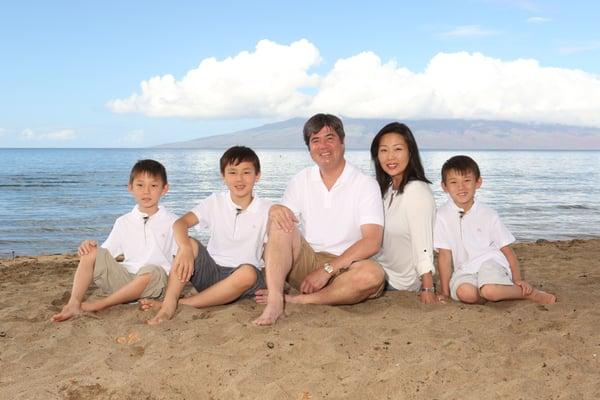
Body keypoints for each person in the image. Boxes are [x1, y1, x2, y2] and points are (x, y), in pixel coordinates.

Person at [253, 113, 385, 326]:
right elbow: (281, 233)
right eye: (315, 140)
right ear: (309, 148)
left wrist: (327, 270)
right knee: (280, 219)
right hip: (307, 263)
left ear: (342, 142)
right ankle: (276, 301)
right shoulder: (301, 180)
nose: (323, 146)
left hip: (345, 267)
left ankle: (297, 300)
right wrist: (274, 209)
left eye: (329, 138)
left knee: (372, 274)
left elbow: (372, 241)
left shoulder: (365, 184)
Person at [142, 146, 271, 325]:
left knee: (248, 272)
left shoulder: (267, 210)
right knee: (191, 243)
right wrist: (186, 248)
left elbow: (273, 250)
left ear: (257, 175)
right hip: (211, 272)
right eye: (232, 172)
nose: (239, 179)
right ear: (223, 176)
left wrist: (275, 288)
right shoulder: (215, 201)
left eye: (246, 172)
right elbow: (180, 223)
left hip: (244, 283)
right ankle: (169, 304)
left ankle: (181, 303)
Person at [51, 159, 178, 322]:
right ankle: (74, 303)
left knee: (153, 270)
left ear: (164, 189)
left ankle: (102, 304)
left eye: (153, 186)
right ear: (130, 188)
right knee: (91, 251)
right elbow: (106, 253)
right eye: (140, 185)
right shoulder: (123, 221)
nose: (146, 191)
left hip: (154, 283)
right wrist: (89, 247)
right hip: (124, 280)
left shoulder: (173, 222)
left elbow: (180, 259)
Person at [434, 155, 556, 305]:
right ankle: (486, 296)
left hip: (491, 264)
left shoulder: (488, 214)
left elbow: (507, 250)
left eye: (467, 180)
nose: (461, 187)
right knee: (464, 293)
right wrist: (445, 292)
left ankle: (529, 294)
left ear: (478, 182)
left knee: (490, 290)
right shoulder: (441, 215)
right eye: (454, 182)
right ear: (444, 187)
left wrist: (517, 280)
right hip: (465, 270)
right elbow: (445, 256)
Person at [370, 122, 438, 304]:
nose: (390, 157)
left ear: (410, 152)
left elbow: (422, 241)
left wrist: (427, 286)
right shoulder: (388, 189)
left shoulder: (416, 190)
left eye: (397, 149)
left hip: (400, 282)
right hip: (381, 270)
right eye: (384, 150)